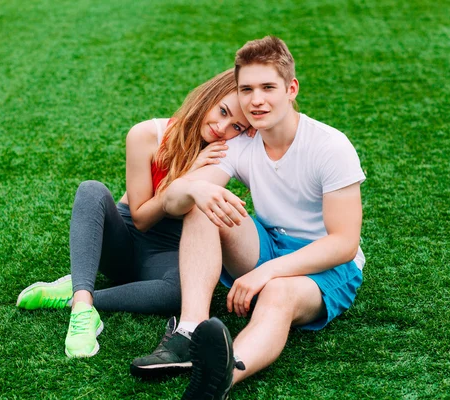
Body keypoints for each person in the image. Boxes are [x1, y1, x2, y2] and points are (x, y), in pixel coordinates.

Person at [131, 36, 366, 400]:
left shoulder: (330, 146)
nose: (256, 100)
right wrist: (194, 189)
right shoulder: (240, 143)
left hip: (324, 265)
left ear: (291, 89)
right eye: (246, 89)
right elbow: (177, 201)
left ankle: (221, 377)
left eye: (268, 87)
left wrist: (267, 271)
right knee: (207, 202)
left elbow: (343, 244)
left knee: (278, 292)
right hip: (267, 242)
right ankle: (190, 329)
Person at [15, 69, 251, 359]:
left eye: (237, 127)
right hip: (124, 240)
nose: (222, 127)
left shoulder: (223, 156)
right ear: (208, 97)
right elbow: (140, 218)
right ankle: (82, 307)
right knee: (91, 190)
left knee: (182, 292)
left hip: (167, 254)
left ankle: (81, 295)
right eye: (223, 111)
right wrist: (189, 174)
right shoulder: (147, 134)